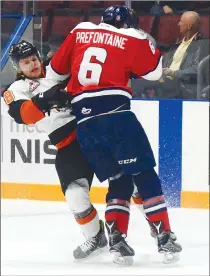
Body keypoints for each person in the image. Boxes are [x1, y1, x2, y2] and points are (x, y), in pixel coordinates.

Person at [46, 5, 182, 265]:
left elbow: (55, 72)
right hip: (117, 116)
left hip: (85, 123)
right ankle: (164, 236)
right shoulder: (132, 37)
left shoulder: (81, 30)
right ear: (128, 24)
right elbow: (154, 73)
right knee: (144, 174)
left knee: (119, 180)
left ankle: (117, 240)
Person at [2, 40, 108, 259]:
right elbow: (25, 116)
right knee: (75, 195)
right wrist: (45, 99)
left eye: (34, 59)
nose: (32, 64)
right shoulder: (16, 90)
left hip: (96, 131)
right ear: (17, 67)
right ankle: (96, 236)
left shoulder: (56, 69)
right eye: (25, 62)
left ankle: (159, 229)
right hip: (69, 145)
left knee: (131, 181)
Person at [133, 11, 209, 99]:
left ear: (189, 26)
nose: (178, 24)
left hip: (183, 84)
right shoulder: (178, 43)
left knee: (138, 83)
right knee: (137, 78)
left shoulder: (202, 44)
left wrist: (174, 73)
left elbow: (197, 69)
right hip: (168, 80)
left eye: (181, 22)